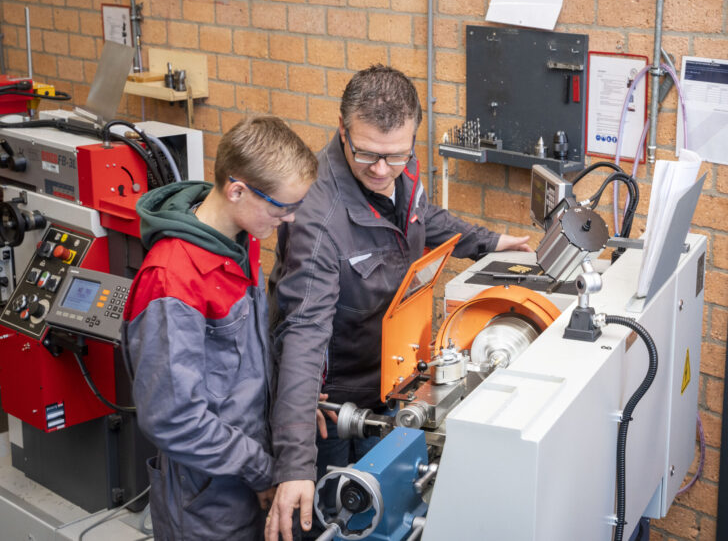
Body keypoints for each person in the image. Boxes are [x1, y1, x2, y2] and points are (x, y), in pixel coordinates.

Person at [266, 65, 532, 540]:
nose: (383, 170)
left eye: (396, 155)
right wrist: (294, 465)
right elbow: (303, 338)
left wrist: (491, 242)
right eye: (367, 154)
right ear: (342, 132)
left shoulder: (398, 167)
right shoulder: (318, 219)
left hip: (392, 381)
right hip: (332, 407)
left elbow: (422, 216)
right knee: (332, 522)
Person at [123, 116, 317, 540]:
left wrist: (289, 403)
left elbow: (242, 359)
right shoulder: (173, 279)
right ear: (237, 190)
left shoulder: (237, 239)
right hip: (206, 502)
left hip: (244, 474)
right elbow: (174, 418)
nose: (288, 219)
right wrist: (262, 470)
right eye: (281, 207)